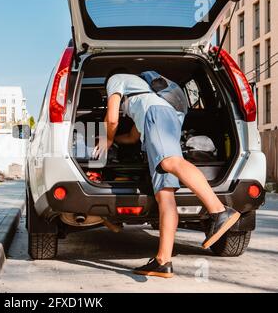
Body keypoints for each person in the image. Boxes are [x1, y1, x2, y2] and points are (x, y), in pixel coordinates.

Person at [93, 70, 241, 278]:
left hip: (158, 116)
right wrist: (112, 140)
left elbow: (112, 119)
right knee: (165, 195)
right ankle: (163, 260)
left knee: (170, 161)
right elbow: (133, 137)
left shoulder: (116, 80)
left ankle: (219, 211)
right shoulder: (141, 99)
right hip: (166, 118)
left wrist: (107, 139)